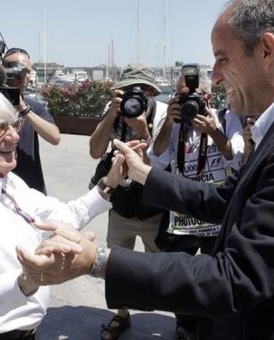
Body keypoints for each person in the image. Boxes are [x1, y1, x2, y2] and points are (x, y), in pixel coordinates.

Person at [18, 1, 274, 339]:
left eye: (222, 59)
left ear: (267, 50)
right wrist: (145, 174)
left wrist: (96, 262)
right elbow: (225, 199)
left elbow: (237, 278)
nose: (215, 77)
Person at [0, 85, 124, 340]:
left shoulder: (8, 181)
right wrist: (26, 281)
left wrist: (108, 183)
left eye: (14, 124)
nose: (14, 136)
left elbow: (60, 217)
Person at [148, 73, 244, 339]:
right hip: (184, 215)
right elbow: (156, 159)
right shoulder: (174, 122)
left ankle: (216, 325)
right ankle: (186, 325)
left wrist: (213, 131)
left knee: (221, 275)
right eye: (181, 96)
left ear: (208, 96)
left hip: (217, 214)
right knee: (181, 276)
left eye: (193, 96)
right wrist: (168, 122)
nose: (187, 102)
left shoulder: (226, 118)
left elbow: (236, 158)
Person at [87, 63, 168, 340]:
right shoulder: (114, 112)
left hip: (154, 207)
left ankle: (183, 320)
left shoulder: (163, 116)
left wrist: (143, 131)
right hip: (121, 205)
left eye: (142, 91)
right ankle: (121, 314)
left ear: (151, 93)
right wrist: (111, 114)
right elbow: (95, 150)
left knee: (166, 266)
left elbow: (156, 169)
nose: (135, 96)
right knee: (116, 265)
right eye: (128, 91)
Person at [3, 47, 60, 194]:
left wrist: (25, 110)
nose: (24, 76)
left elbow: (55, 137)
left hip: (32, 189)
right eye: (17, 69)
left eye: (27, 71)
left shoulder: (34, 107)